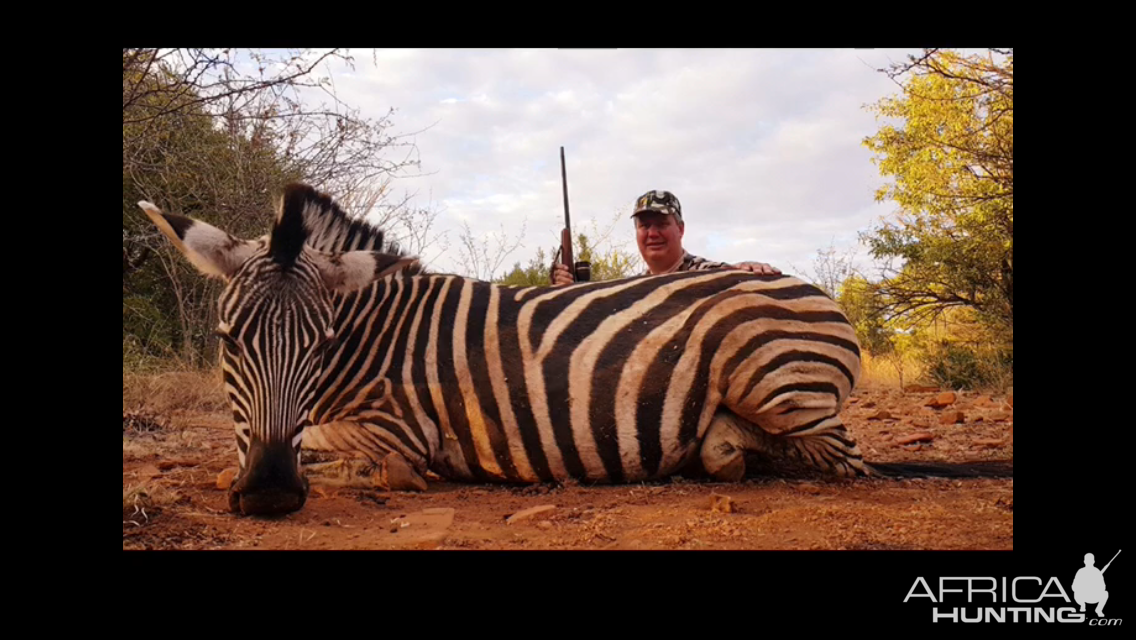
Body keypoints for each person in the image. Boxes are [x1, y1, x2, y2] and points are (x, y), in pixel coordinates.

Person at [551, 189, 780, 285]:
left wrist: (745, 269)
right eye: (644, 225)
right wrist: (567, 291)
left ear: (680, 229)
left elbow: (729, 273)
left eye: (661, 224)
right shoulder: (634, 287)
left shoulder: (705, 274)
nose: (652, 233)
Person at [1073, 553, 1109, 617]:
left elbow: (1103, 587)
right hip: (1082, 596)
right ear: (1084, 561)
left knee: (1105, 593)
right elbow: (1074, 586)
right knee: (1076, 593)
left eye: (1090, 560)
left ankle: (1098, 610)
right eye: (1087, 560)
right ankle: (1082, 605)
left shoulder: (1097, 571)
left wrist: (1094, 587)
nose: (1089, 562)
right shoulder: (1080, 571)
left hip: (1094, 596)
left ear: (1093, 561)